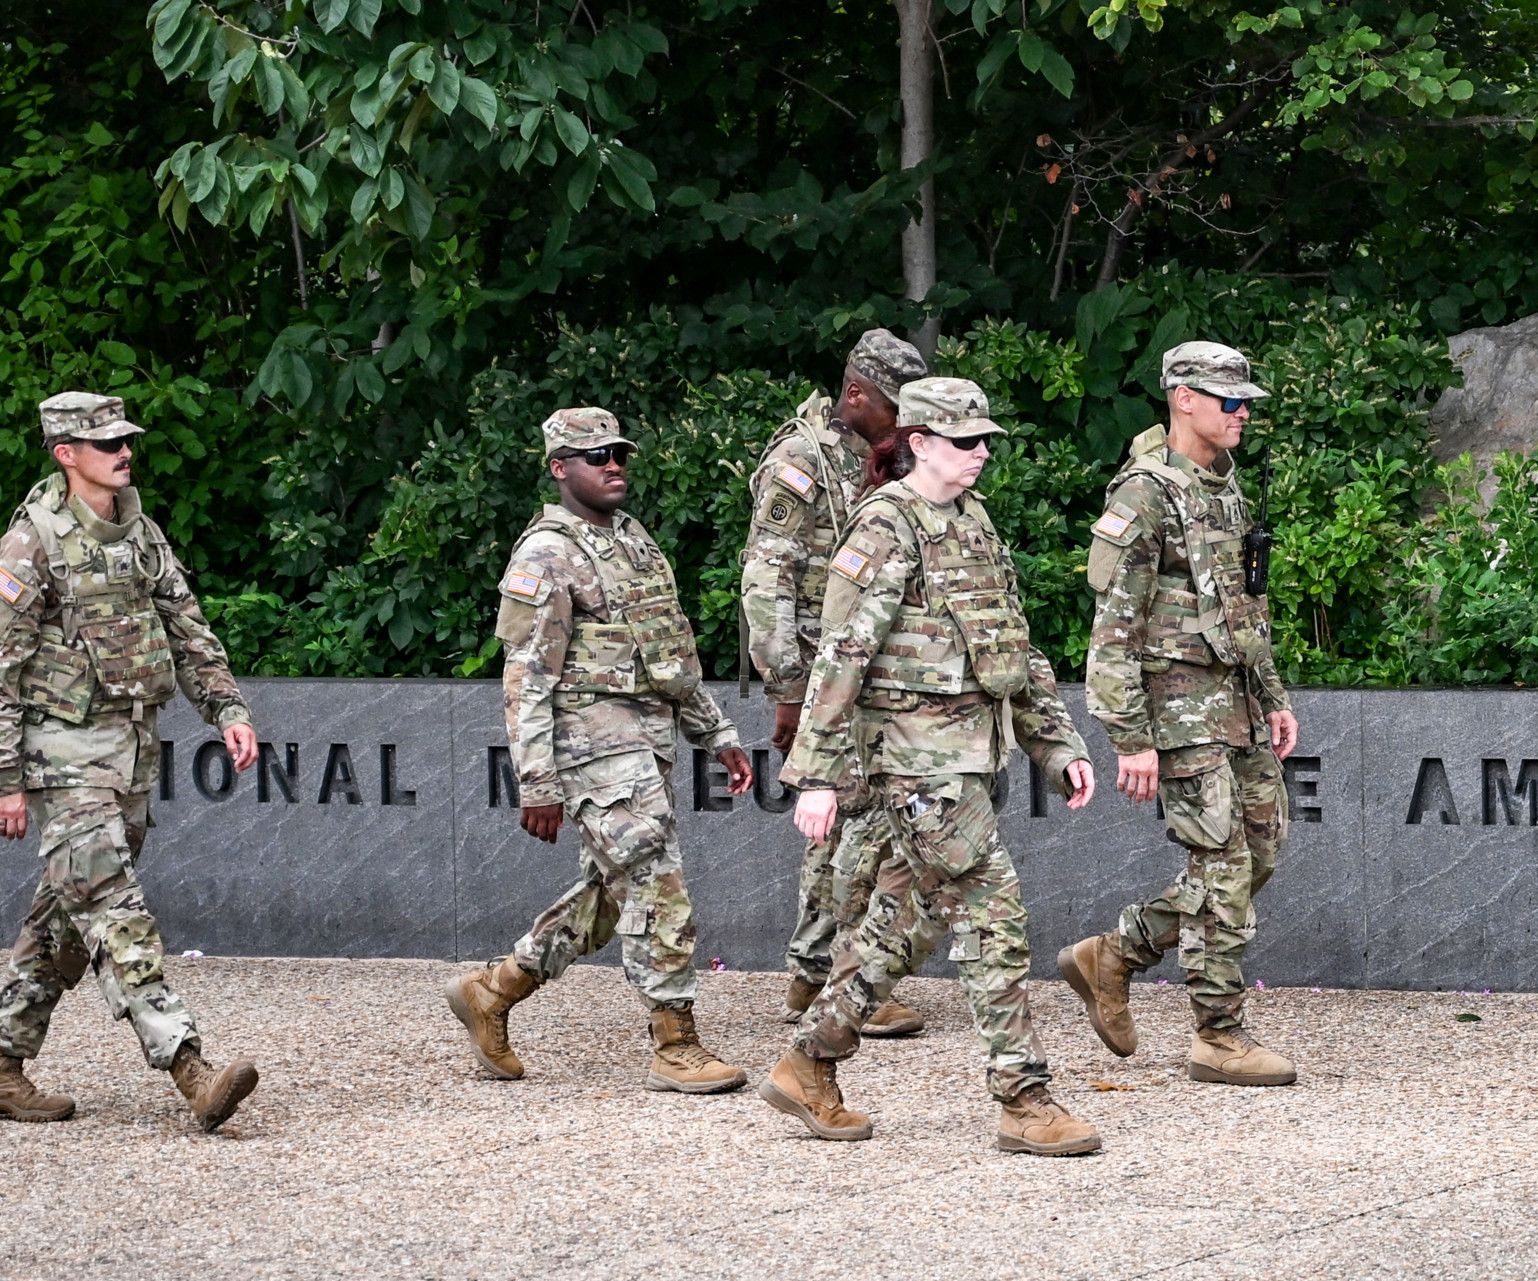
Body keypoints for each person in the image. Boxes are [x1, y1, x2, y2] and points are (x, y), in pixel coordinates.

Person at [758, 377, 1104, 1156]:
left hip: (968, 759)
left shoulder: (972, 522)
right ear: (917, 442)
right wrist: (814, 776)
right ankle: (1023, 1095)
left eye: (986, 440)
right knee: (994, 918)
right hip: (917, 768)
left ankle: (808, 1063)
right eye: (964, 441)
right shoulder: (885, 528)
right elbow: (841, 657)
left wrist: (1056, 744)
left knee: (901, 926)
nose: (981, 453)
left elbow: (1011, 646)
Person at [0, 391, 261, 1132]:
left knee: (66, 916)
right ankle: (189, 1065)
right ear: (66, 454)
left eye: (126, 441)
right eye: (106, 445)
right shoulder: (32, 543)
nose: (124, 453)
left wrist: (226, 709)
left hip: (131, 749)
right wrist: (2, 779)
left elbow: (186, 625)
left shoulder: (139, 530)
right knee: (110, 906)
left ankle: (0, 1067)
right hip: (63, 754)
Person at [444, 407, 754, 1093]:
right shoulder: (547, 554)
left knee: (610, 899)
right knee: (657, 882)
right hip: (591, 747)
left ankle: (495, 990)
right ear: (559, 469)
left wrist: (717, 733)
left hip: (648, 743)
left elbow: (668, 655)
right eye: (594, 457)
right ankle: (675, 1044)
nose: (613, 465)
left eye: (618, 453)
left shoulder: (633, 542)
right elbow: (525, 676)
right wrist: (537, 782)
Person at [1057, 341, 1300, 1086]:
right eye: (1229, 400)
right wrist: (1129, 736)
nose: (1243, 412)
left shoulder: (1222, 483)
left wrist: (1272, 694)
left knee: (1262, 848)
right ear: (1182, 398)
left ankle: (1118, 953)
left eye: (1247, 400)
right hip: (1177, 712)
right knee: (1222, 862)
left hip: (1235, 701)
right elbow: (1114, 627)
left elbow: (1240, 604)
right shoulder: (1144, 494)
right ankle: (1217, 1034)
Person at [740, 328, 929, 1038]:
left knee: (852, 825)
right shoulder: (803, 462)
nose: (906, 427)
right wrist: (788, 690)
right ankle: (842, 982)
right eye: (894, 409)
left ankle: (816, 974)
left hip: (869, 676)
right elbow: (767, 583)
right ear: (857, 394)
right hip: (826, 677)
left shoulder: (875, 459)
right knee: (857, 829)